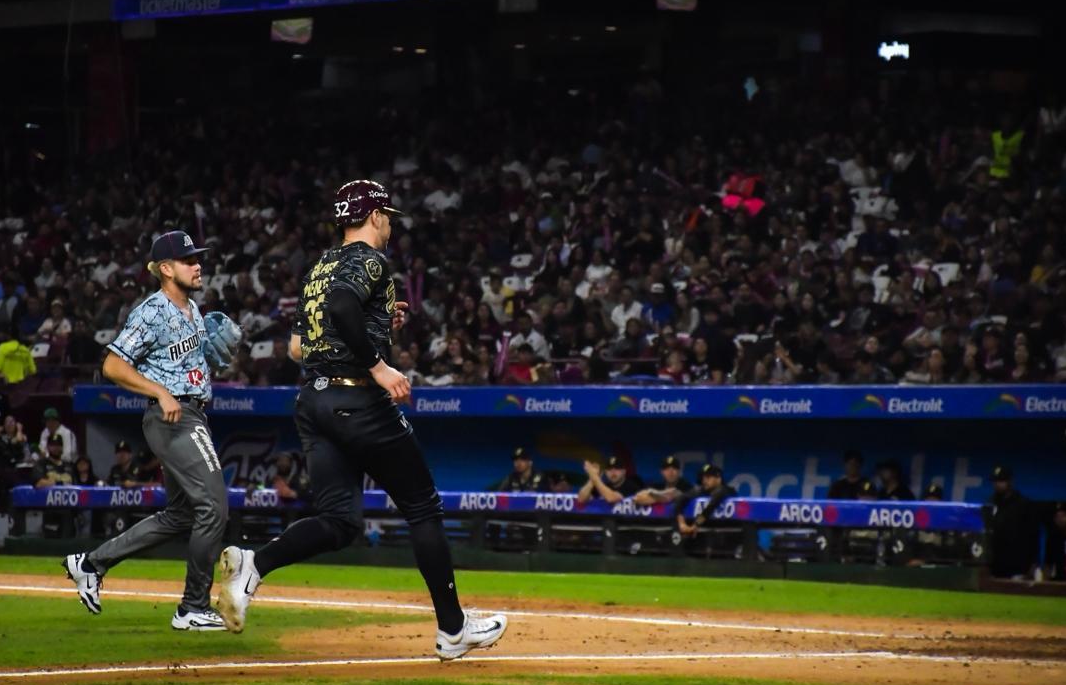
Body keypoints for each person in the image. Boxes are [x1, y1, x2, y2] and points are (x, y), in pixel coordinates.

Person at [215, 180, 507, 658]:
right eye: (386, 215)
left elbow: (297, 347)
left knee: (338, 520)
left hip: (313, 403)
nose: (390, 224)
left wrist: (375, 326)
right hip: (359, 402)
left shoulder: (318, 267)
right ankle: (453, 630)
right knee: (423, 508)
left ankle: (254, 564)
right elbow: (342, 306)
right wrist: (379, 364)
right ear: (373, 216)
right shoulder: (370, 260)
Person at [62, 229, 240, 632]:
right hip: (173, 418)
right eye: (188, 259)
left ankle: (91, 563)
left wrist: (211, 361)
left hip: (189, 412)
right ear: (165, 268)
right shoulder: (153, 311)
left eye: (198, 258)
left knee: (181, 514)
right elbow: (111, 365)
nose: (198, 265)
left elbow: (187, 362)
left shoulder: (192, 308)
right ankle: (192, 606)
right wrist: (160, 392)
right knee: (214, 506)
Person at [985, 466, 1036, 579]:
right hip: (995, 563)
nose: (997, 484)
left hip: (1017, 564)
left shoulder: (1023, 504)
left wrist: (1033, 562)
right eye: (995, 481)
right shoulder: (990, 503)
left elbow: (1033, 535)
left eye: (1001, 481)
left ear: (1010, 481)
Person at [673, 463, 736, 540]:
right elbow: (680, 500)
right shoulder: (701, 490)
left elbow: (709, 509)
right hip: (703, 533)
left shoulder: (726, 490)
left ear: (718, 478)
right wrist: (681, 523)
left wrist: (696, 525)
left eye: (708, 477)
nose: (704, 481)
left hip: (726, 533)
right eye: (703, 478)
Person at [577, 455, 643, 505]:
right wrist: (592, 479)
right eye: (609, 469)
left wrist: (594, 477)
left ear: (624, 471)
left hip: (629, 522)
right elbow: (581, 499)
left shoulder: (631, 485)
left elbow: (611, 498)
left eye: (617, 468)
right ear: (605, 472)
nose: (613, 472)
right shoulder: (605, 485)